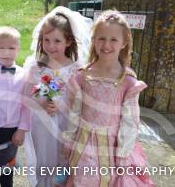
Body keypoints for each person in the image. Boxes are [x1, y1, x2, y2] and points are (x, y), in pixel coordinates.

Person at [64, 10, 155, 187]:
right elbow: (73, 112)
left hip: (112, 148)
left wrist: (123, 153)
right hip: (83, 143)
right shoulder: (82, 76)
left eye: (113, 39)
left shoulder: (127, 81)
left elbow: (130, 121)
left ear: (124, 42)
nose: (106, 44)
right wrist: (68, 140)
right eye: (101, 38)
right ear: (94, 39)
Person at [23, 6, 93, 187]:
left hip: (66, 124)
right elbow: (27, 95)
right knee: (43, 162)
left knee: (62, 163)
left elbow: (81, 100)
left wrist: (61, 105)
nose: (50, 46)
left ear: (68, 41)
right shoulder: (36, 66)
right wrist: (42, 103)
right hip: (41, 123)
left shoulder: (76, 68)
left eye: (57, 40)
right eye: (46, 40)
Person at [0, 26, 30, 187]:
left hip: (13, 132)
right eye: (1, 48)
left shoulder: (23, 75)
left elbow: (26, 105)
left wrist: (22, 130)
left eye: (11, 48)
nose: (6, 52)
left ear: (18, 49)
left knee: (7, 173)